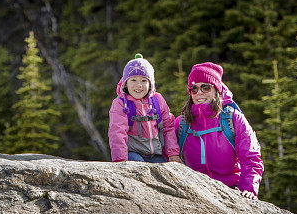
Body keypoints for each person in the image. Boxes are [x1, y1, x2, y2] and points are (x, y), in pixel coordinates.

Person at [176, 62, 263, 199]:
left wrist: (248, 188)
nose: (199, 93)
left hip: (230, 190)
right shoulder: (181, 123)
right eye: (194, 88)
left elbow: (251, 157)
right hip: (193, 192)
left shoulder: (233, 118)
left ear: (217, 89)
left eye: (205, 87)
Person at [108, 54, 181, 163]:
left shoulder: (158, 100)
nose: (139, 85)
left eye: (143, 81)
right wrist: (121, 160)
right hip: (132, 153)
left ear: (150, 84)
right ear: (125, 83)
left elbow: (168, 128)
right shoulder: (120, 104)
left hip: (155, 153)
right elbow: (117, 133)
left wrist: (173, 154)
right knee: (137, 165)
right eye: (133, 80)